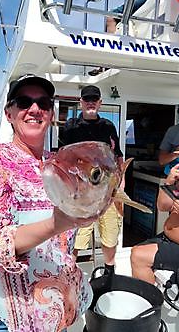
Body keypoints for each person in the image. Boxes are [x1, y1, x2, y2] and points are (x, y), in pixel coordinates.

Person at [0, 74, 97, 332]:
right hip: (4, 318)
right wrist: (57, 224)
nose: (35, 109)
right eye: (24, 102)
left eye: (43, 103)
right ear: (9, 113)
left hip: (54, 314)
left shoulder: (58, 164)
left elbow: (66, 240)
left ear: (51, 113)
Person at [63, 85, 124, 275]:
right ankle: (69, 271)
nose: (90, 102)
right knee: (78, 234)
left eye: (94, 99)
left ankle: (109, 272)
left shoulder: (108, 126)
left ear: (100, 103)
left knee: (110, 233)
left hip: (107, 189)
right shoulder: (71, 126)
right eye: (86, 99)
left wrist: (120, 187)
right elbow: (63, 158)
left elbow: (118, 156)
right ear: (80, 102)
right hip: (82, 192)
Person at [130, 135, 179, 285]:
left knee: (138, 255)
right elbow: (162, 206)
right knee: (137, 248)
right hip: (168, 239)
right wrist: (168, 183)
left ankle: (150, 304)